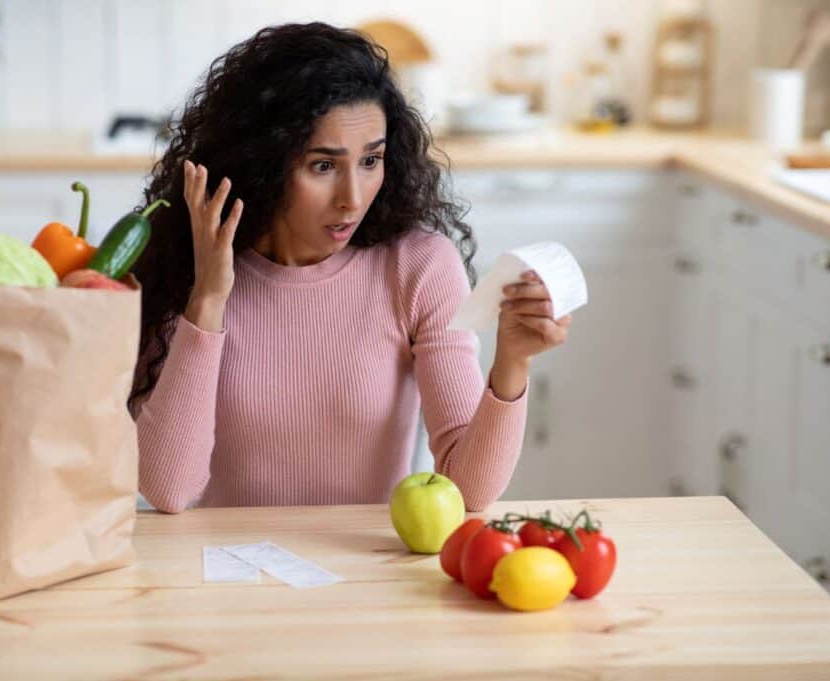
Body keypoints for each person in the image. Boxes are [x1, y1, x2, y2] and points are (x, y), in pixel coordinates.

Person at [130, 22, 571, 513]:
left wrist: (512, 363)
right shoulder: (192, 261)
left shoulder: (418, 267)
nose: (353, 198)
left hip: (369, 571)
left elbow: (468, 490)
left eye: (371, 160)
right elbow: (169, 490)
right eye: (323, 165)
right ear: (264, 163)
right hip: (226, 573)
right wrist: (207, 299)